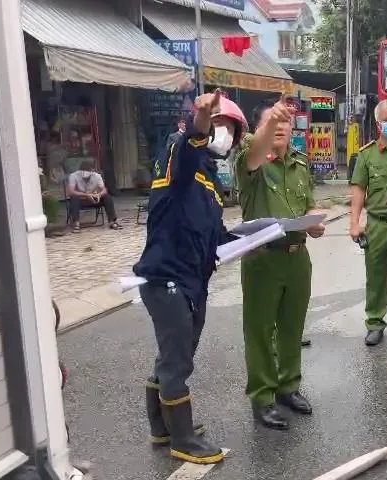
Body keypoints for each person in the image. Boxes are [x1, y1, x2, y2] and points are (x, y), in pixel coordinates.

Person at [133, 90, 245, 464]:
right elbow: (187, 147)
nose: (224, 134)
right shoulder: (178, 161)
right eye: (219, 125)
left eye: (231, 129)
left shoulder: (209, 181)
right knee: (177, 362)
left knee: (174, 355)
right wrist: (200, 124)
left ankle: (161, 427)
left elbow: (214, 236)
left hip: (192, 284)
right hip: (167, 280)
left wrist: (260, 237)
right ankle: (182, 438)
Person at [236, 95, 326, 430]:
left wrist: (314, 222)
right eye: (272, 122)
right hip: (263, 260)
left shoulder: (300, 165)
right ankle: (262, 397)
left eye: (285, 123)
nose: (280, 128)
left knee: (292, 329)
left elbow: (310, 208)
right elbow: (254, 154)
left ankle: (288, 386)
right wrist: (270, 121)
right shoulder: (252, 162)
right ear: (259, 128)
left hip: (296, 258)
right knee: (260, 332)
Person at [349, 99, 387, 346]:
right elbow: (358, 190)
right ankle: (374, 323)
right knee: (376, 277)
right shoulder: (367, 155)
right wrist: (354, 223)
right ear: (378, 124)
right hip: (377, 224)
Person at [66, 160, 121, 232]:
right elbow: (71, 192)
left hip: (94, 199)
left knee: (107, 196)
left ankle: (112, 221)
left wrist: (99, 194)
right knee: (74, 198)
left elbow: (104, 189)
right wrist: (86, 195)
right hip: (81, 200)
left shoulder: (96, 176)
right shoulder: (74, 176)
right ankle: (76, 223)